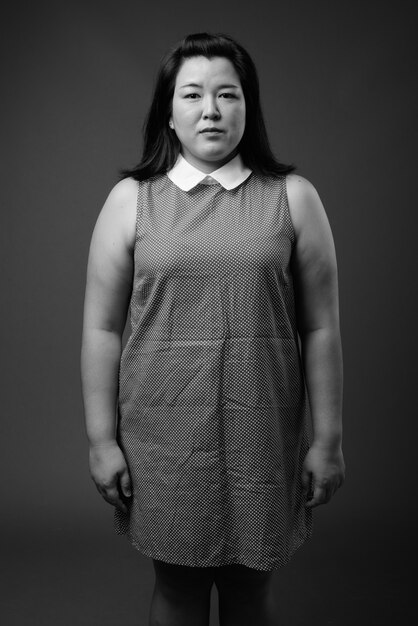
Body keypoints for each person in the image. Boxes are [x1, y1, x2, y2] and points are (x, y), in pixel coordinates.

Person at [80, 32, 345, 626]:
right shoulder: (131, 201)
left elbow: (321, 327)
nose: (211, 109)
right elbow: (101, 328)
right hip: (161, 438)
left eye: (228, 94)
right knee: (176, 590)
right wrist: (101, 441)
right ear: (169, 114)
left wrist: (327, 440)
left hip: (264, 434)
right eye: (193, 94)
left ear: (247, 108)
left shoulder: (293, 199)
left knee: (251, 590)